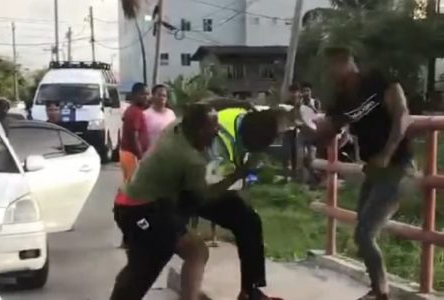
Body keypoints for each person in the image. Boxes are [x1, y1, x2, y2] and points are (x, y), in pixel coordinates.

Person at [110, 103, 283, 300]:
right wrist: (239, 173)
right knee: (147, 266)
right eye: (213, 128)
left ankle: (247, 291)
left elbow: (209, 102)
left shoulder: (180, 125)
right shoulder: (190, 159)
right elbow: (205, 196)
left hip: (162, 200)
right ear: (200, 131)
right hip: (141, 209)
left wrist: (240, 103)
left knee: (202, 246)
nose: (217, 131)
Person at [315, 47, 413, 300]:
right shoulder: (340, 100)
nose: (329, 74)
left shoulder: (377, 80)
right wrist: (306, 125)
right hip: (373, 169)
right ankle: (377, 288)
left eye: (331, 66)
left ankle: (381, 292)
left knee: (365, 233)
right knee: (363, 230)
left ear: (346, 62)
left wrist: (388, 153)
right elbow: (329, 130)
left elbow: (402, 114)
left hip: (397, 165)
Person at [116, 82, 149, 249]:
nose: (146, 97)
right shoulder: (135, 112)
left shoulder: (133, 111)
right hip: (132, 156)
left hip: (128, 155)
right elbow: (135, 137)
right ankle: (129, 236)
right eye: (143, 94)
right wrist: (141, 157)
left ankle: (131, 236)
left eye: (147, 94)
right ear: (135, 95)